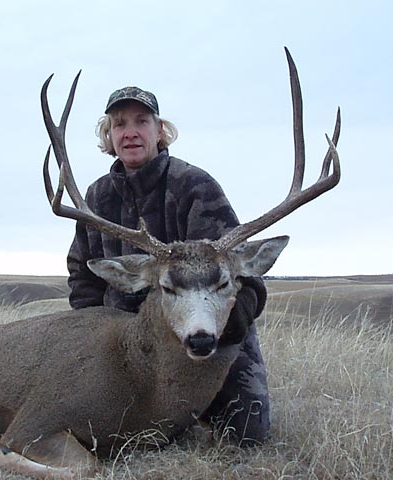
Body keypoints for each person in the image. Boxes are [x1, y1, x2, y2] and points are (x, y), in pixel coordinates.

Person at [66, 86, 270, 446]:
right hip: (126, 346)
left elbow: (247, 284)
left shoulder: (195, 186)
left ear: (159, 131)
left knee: (245, 435)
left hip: (209, 335)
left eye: (142, 122)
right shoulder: (95, 198)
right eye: (119, 124)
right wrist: (89, 337)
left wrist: (218, 334)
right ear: (109, 137)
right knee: (93, 432)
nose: (130, 132)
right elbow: (83, 274)